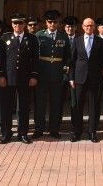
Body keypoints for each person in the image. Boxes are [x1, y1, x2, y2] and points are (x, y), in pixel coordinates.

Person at [0, 13, 39, 144]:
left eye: (20, 23)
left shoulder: (31, 39)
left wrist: (34, 75)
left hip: (25, 79)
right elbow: (0, 59)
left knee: (23, 107)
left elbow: (35, 59)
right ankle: (6, 133)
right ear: (12, 24)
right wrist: (1, 75)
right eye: (15, 23)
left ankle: (23, 133)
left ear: (24, 25)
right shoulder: (4, 38)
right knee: (6, 107)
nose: (17, 26)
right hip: (8, 78)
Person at [33, 10, 70, 139]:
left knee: (56, 103)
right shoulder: (39, 35)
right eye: (50, 22)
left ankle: (54, 129)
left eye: (55, 22)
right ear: (46, 23)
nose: (52, 24)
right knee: (40, 103)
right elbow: (34, 55)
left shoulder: (63, 36)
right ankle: (39, 129)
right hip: (42, 73)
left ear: (58, 23)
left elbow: (67, 56)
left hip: (57, 73)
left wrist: (65, 70)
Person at [69, 17, 103, 142]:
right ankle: (77, 131)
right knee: (78, 105)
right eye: (87, 26)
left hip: (94, 79)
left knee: (94, 107)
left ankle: (92, 132)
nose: (89, 28)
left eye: (91, 25)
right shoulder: (77, 41)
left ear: (94, 27)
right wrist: (71, 78)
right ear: (83, 27)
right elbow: (72, 61)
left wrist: (101, 76)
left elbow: (102, 61)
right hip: (79, 78)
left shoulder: (100, 42)